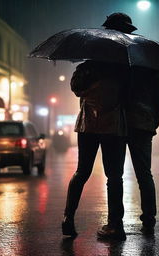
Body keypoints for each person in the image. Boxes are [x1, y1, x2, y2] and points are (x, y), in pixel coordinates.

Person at [102, 12, 159, 235]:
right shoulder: (148, 58)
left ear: (110, 30)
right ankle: (149, 220)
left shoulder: (108, 58)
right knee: (144, 173)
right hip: (143, 122)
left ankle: (115, 223)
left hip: (116, 122)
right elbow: (158, 98)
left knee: (114, 176)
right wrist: (153, 122)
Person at [62, 60, 129, 240]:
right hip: (113, 126)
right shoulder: (122, 68)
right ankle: (115, 225)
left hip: (87, 125)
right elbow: (129, 95)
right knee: (114, 176)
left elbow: (75, 88)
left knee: (82, 171)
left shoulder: (86, 67)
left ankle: (68, 217)